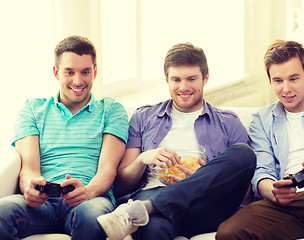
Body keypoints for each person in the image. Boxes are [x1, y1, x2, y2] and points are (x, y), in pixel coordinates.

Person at [97, 42, 256, 240]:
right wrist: (142, 159)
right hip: (153, 196)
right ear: (167, 79)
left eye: (191, 79)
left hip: (207, 204)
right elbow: (122, 186)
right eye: (176, 79)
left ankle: (148, 208)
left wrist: (208, 175)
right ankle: (150, 208)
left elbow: (247, 194)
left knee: (244, 153)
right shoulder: (143, 118)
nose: (183, 87)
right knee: (151, 227)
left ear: (205, 78)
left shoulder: (229, 122)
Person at [216, 40, 304, 240]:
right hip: (287, 206)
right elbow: (262, 173)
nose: (286, 89)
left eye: (293, 79)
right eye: (278, 81)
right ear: (270, 81)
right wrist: (273, 191)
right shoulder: (261, 120)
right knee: (229, 232)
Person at [0, 35, 129, 240]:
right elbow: (29, 168)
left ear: (95, 72)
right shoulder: (33, 109)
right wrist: (30, 188)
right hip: (43, 203)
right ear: (56, 72)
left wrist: (88, 192)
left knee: (93, 217)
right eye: (69, 72)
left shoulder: (111, 110)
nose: (78, 81)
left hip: (90, 200)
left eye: (85, 72)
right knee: (2, 210)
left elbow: (108, 169)